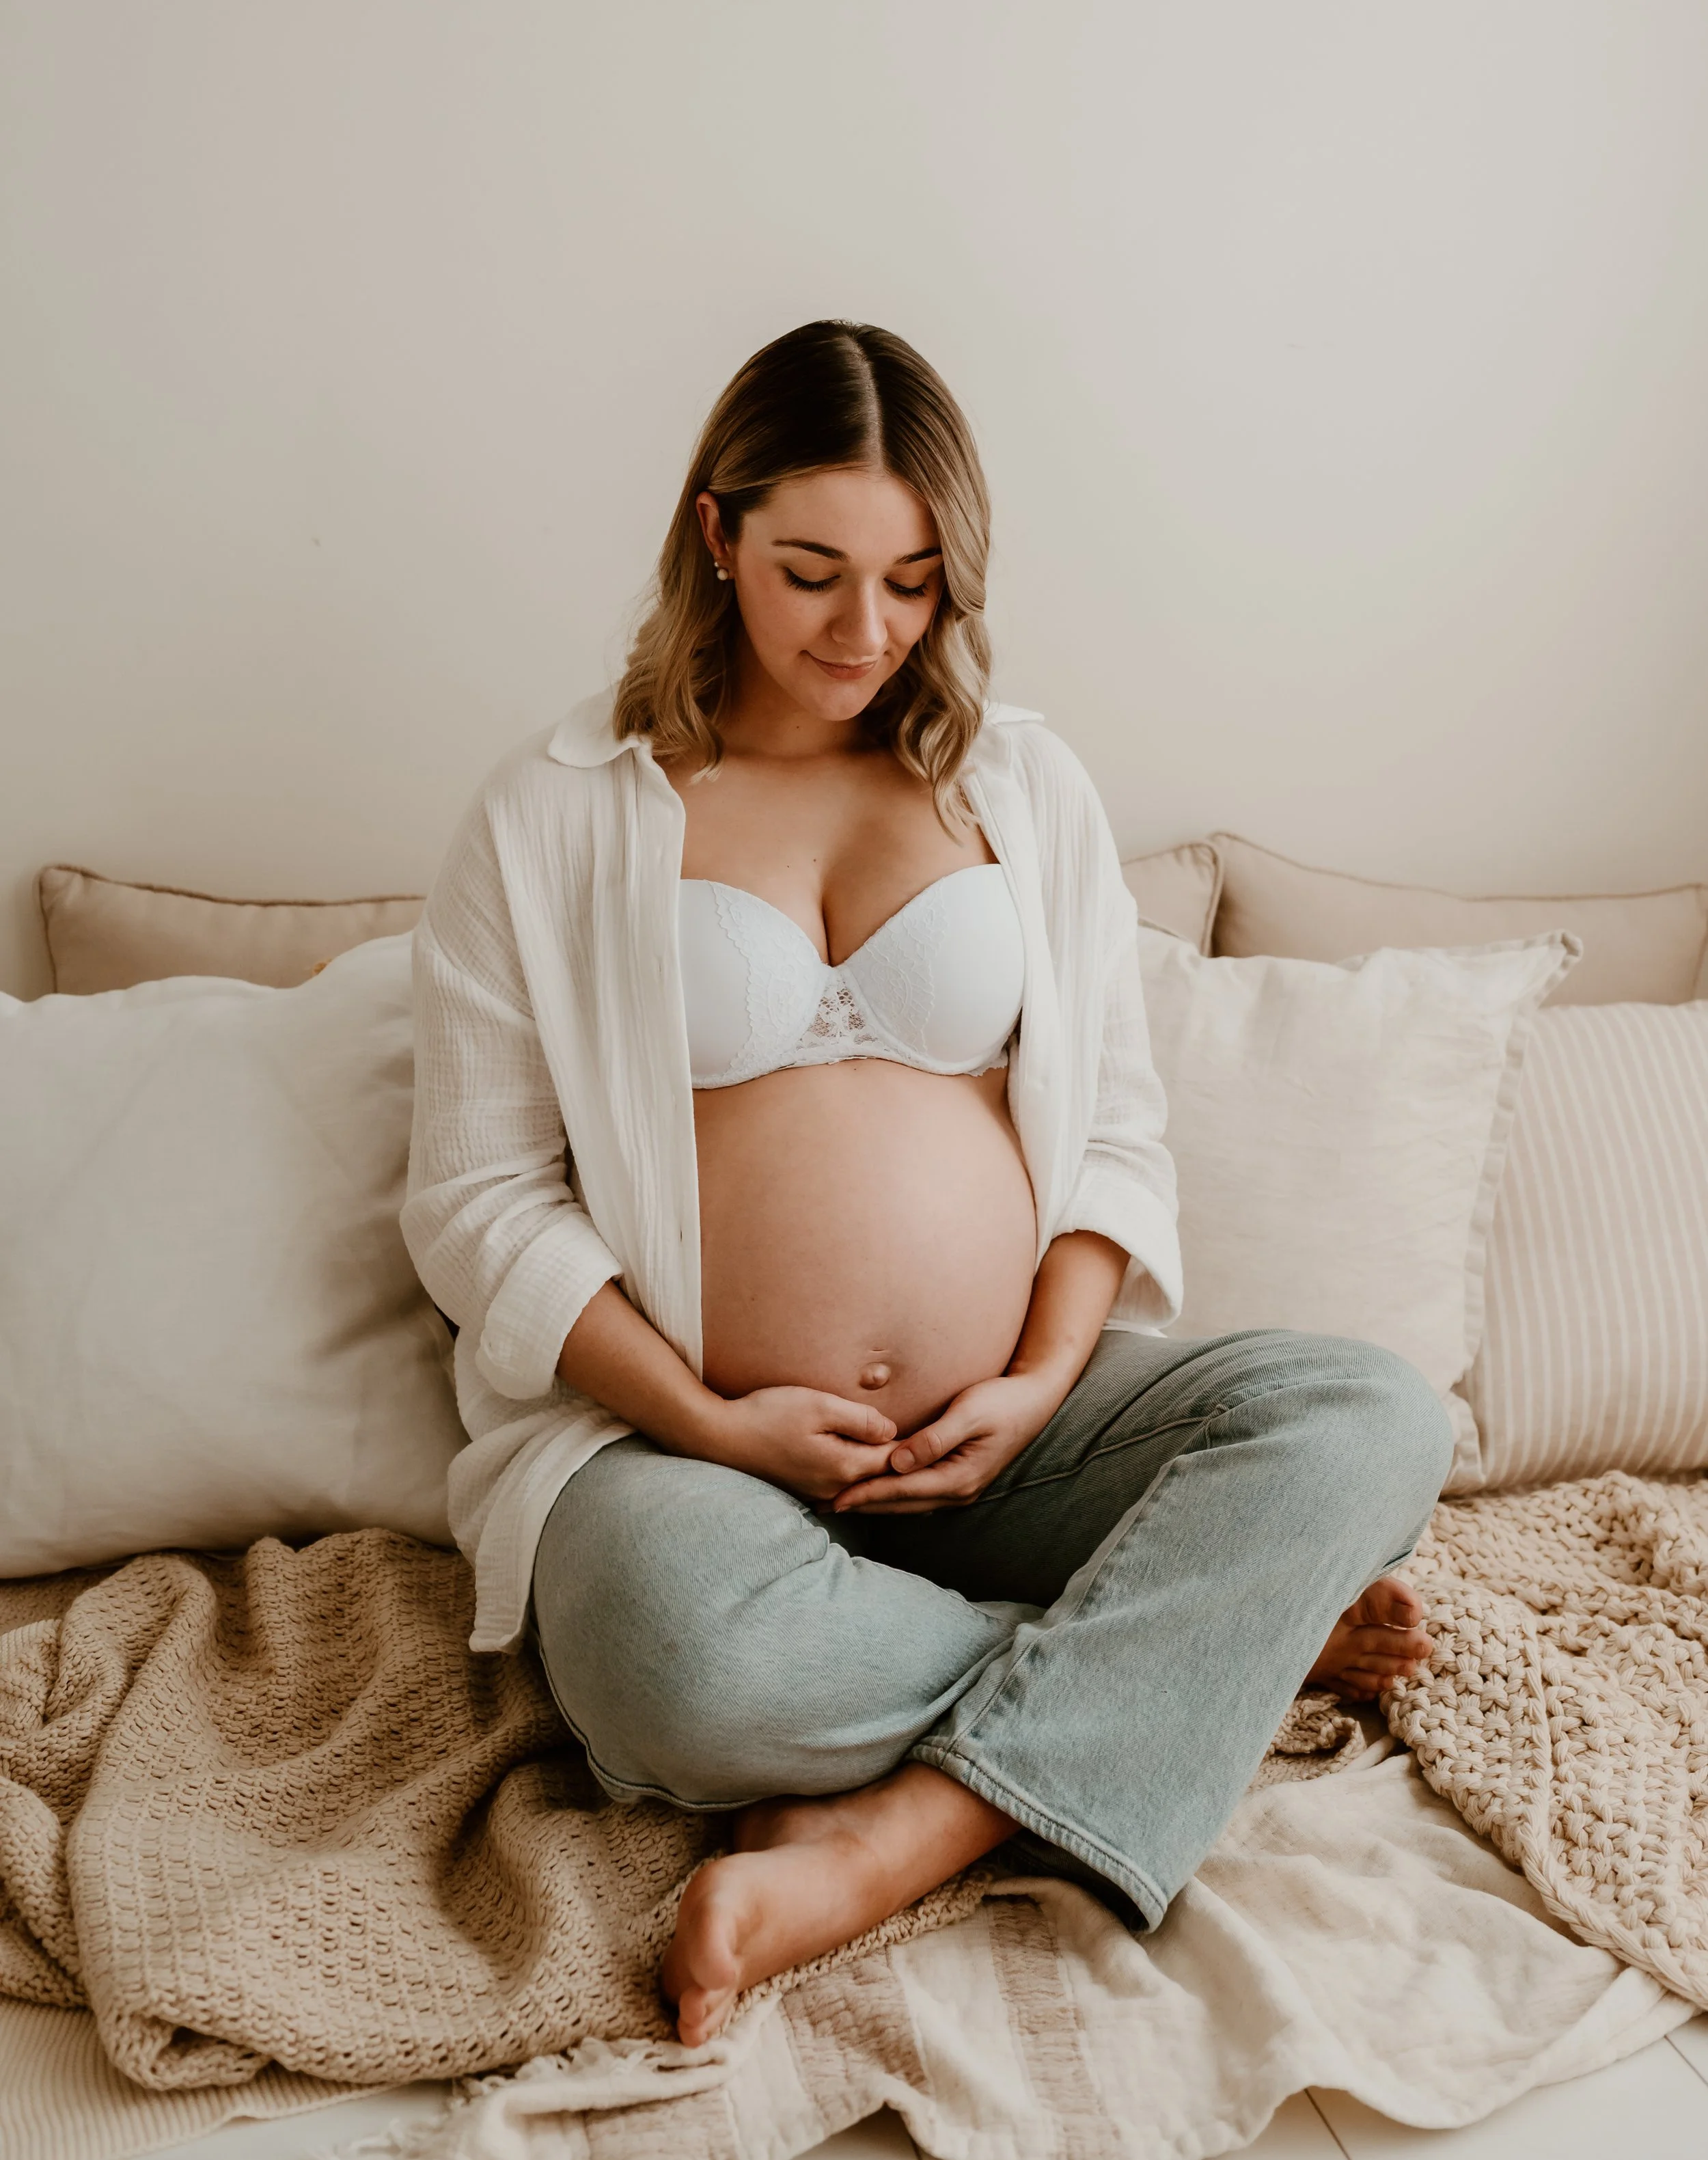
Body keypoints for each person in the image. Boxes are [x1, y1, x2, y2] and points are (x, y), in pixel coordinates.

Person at [402, 319, 1454, 2047]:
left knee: (1368, 1421)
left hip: (1011, 1434)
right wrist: (712, 1422)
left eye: (910, 583)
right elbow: (480, 1205)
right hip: (684, 1455)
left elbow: (1111, 1129)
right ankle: (1204, 1654)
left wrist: (1040, 1385)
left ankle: (904, 1828)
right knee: (674, 1663)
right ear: (714, 529)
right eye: (812, 571)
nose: (862, 633)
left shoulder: (1021, 786)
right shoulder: (554, 812)